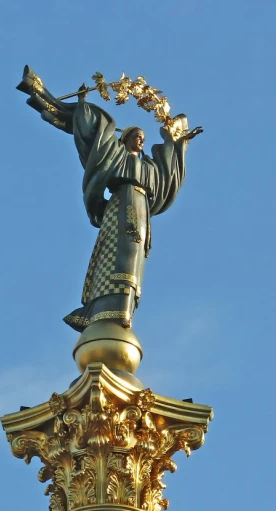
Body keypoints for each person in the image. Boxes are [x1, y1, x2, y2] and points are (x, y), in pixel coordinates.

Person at [17, 66, 200, 332]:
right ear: (125, 140)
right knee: (118, 254)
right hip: (120, 206)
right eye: (137, 137)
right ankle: (101, 307)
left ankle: (124, 308)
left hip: (140, 211)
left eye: (143, 139)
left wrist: (180, 142)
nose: (140, 141)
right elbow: (98, 138)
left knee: (134, 257)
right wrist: (83, 109)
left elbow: (169, 174)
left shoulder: (149, 170)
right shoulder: (117, 157)